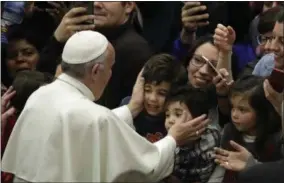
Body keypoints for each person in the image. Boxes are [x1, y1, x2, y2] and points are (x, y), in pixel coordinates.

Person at [1, 31, 209, 182]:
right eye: (110, 68)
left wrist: (132, 108)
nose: (110, 75)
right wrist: (173, 139)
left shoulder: (41, 95)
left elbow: (86, 128)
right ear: (96, 70)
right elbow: (147, 167)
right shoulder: (94, 116)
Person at [209, 75, 282, 183]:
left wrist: (252, 166)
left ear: (262, 113)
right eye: (233, 107)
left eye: (242, 110)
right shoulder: (229, 131)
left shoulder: (276, 140)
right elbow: (221, 168)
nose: (234, 114)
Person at [120, 53, 187, 143]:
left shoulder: (175, 118)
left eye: (161, 93)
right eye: (147, 90)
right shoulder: (128, 105)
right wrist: (132, 107)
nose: (152, 98)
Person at [164, 85, 220, 183]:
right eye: (167, 115)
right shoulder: (169, 148)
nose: (170, 120)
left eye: (178, 114)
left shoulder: (214, 135)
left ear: (199, 119)